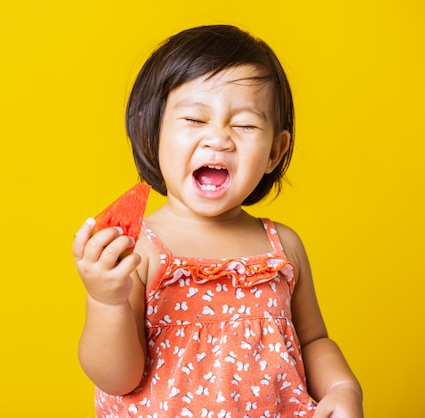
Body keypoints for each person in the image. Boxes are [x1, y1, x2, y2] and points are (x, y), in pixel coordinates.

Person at [72, 24, 363, 418]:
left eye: (244, 125)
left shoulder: (283, 247)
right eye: (195, 120)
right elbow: (117, 378)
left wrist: (343, 387)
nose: (219, 139)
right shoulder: (139, 249)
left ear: (275, 152)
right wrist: (105, 300)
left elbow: (312, 341)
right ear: (150, 131)